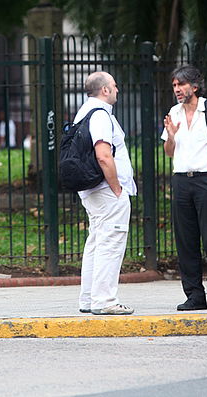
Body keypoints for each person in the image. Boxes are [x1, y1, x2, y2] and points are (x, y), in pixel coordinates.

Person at [161, 65, 207, 312]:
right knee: (185, 241)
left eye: (181, 84)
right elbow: (169, 152)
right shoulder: (174, 113)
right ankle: (194, 295)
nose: (177, 89)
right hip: (181, 181)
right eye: (174, 86)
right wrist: (171, 136)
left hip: (206, 181)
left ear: (195, 86)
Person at [75, 71, 137, 315]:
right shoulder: (100, 115)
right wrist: (117, 188)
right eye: (114, 85)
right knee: (110, 243)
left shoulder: (84, 112)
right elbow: (103, 154)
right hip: (106, 190)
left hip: (92, 191)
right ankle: (105, 300)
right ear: (105, 90)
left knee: (96, 242)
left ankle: (89, 299)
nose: (117, 89)